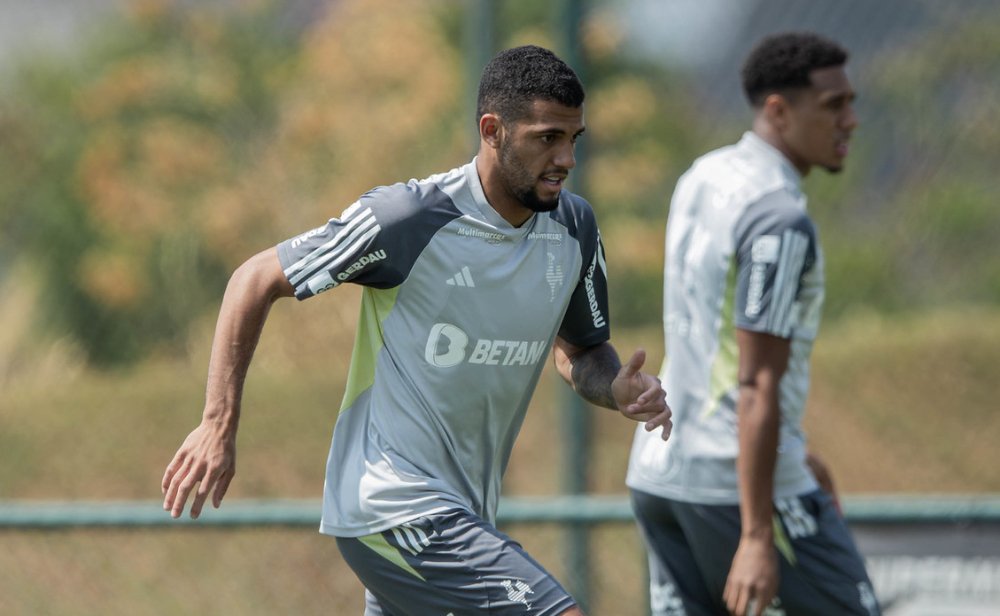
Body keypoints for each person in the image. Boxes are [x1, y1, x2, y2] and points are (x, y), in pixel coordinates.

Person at [161, 44, 672, 616]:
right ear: (492, 130)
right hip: (392, 505)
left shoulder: (574, 227)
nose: (566, 159)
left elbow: (579, 351)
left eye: (573, 139)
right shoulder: (406, 220)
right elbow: (254, 278)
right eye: (547, 137)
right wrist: (217, 422)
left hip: (463, 515)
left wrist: (619, 390)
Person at [625, 32, 880, 616]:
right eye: (834, 105)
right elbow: (754, 383)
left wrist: (791, 444)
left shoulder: (704, 175)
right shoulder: (779, 216)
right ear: (778, 110)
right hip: (729, 486)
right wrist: (759, 535)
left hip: (659, 474)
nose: (852, 120)